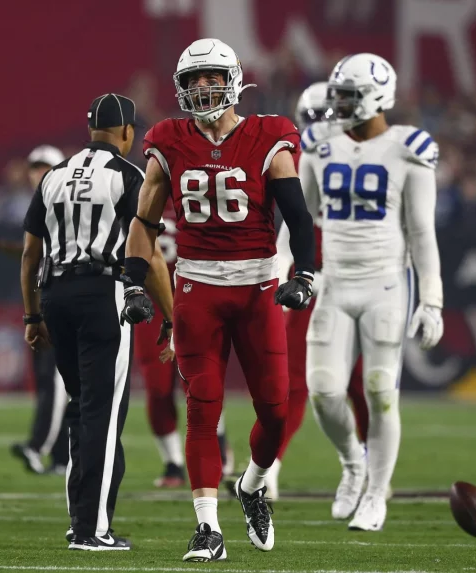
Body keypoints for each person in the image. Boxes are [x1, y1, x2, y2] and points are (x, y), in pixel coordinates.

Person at [121, 38, 316, 561]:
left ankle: (251, 486)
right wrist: (134, 282)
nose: (201, 88)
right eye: (192, 80)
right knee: (202, 406)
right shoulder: (167, 139)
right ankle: (207, 528)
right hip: (196, 287)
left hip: (257, 286)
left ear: (232, 79)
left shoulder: (269, 134)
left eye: (210, 77)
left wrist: (306, 274)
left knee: (274, 412)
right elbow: (144, 222)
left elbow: (297, 216)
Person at [21, 93, 173, 550]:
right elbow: (147, 251)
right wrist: (171, 315)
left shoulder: (53, 176)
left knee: (80, 408)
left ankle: (80, 519)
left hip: (56, 295)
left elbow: (31, 254)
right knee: (103, 416)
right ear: (127, 132)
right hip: (103, 292)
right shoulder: (129, 175)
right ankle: (92, 529)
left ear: (91, 129)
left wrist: (31, 314)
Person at [300, 53, 443, 531]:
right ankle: (353, 464)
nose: (337, 105)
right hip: (335, 281)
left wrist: (432, 299)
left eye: (347, 96)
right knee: (323, 391)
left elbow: (422, 231)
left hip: (386, 281)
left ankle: (377, 495)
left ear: (378, 96)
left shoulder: (409, 148)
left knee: (381, 390)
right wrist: (287, 267)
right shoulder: (319, 145)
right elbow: (301, 220)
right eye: (336, 95)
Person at [269, 81, 371, 500]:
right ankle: (269, 468)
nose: (317, 129)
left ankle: (371, 470)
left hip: (362, 281)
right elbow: (287, 236)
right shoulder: (299, 162)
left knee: (366, 384)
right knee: (295, 382)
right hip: (316, 281)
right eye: (310, 120)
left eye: (323, 118)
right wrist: (278, 283)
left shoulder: (372, 158)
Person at [0, 145, 70, 475]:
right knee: (47, 380)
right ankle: (60, 456)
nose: (36, 174)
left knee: (56, 381)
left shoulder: (67, 207)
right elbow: (32, 254)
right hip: (43, 304)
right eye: (34, 168)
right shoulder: (40, 208)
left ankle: (38, 446)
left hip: (67, 302)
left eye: (44, 168)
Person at [133, 219, 235, 488]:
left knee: (200, 379)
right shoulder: (141, 189)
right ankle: (173, 462)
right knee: (157, 387)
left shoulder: (198, 181)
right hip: (152, 299)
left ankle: (219, 445)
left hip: (195, 292)